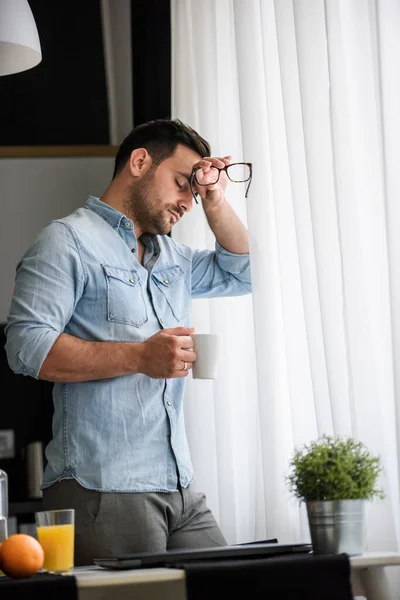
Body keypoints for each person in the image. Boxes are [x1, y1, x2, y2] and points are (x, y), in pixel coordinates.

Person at [4, 118, 252, 566]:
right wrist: (139, 356)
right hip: (104, 488)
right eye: (182, 183)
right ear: (140, 162)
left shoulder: (172, 255)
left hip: (180, 486)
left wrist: (214, 199)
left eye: (194, 193)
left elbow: (243, 271)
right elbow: (26, 347)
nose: (187, 202)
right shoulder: (66, 242)